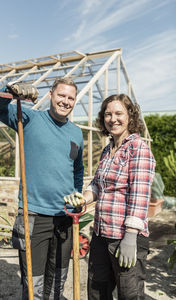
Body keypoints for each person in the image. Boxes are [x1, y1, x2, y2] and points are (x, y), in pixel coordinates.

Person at [0, 77, 84, 300]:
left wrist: (77, 194)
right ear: (51, 94)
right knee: (34, 286)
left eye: (71, 98)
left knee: (58, 280)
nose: (65, 101)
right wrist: (9, 90)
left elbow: (77, 170)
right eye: (61, 95)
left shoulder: (76, 133)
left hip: (65, 218)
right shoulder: (29, 117)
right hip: (34, 216)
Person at [64, 94, 156, 300]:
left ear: (130, 117)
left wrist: (131, 236)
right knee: (98, 291)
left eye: (118, 113)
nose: (113, 119)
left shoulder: (138, 148)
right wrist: (84, 198)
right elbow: (98, 184)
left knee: (129, 294)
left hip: (124, 237)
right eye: (108, 114)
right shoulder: (108, 150)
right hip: (101, 234)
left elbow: (140, 194)